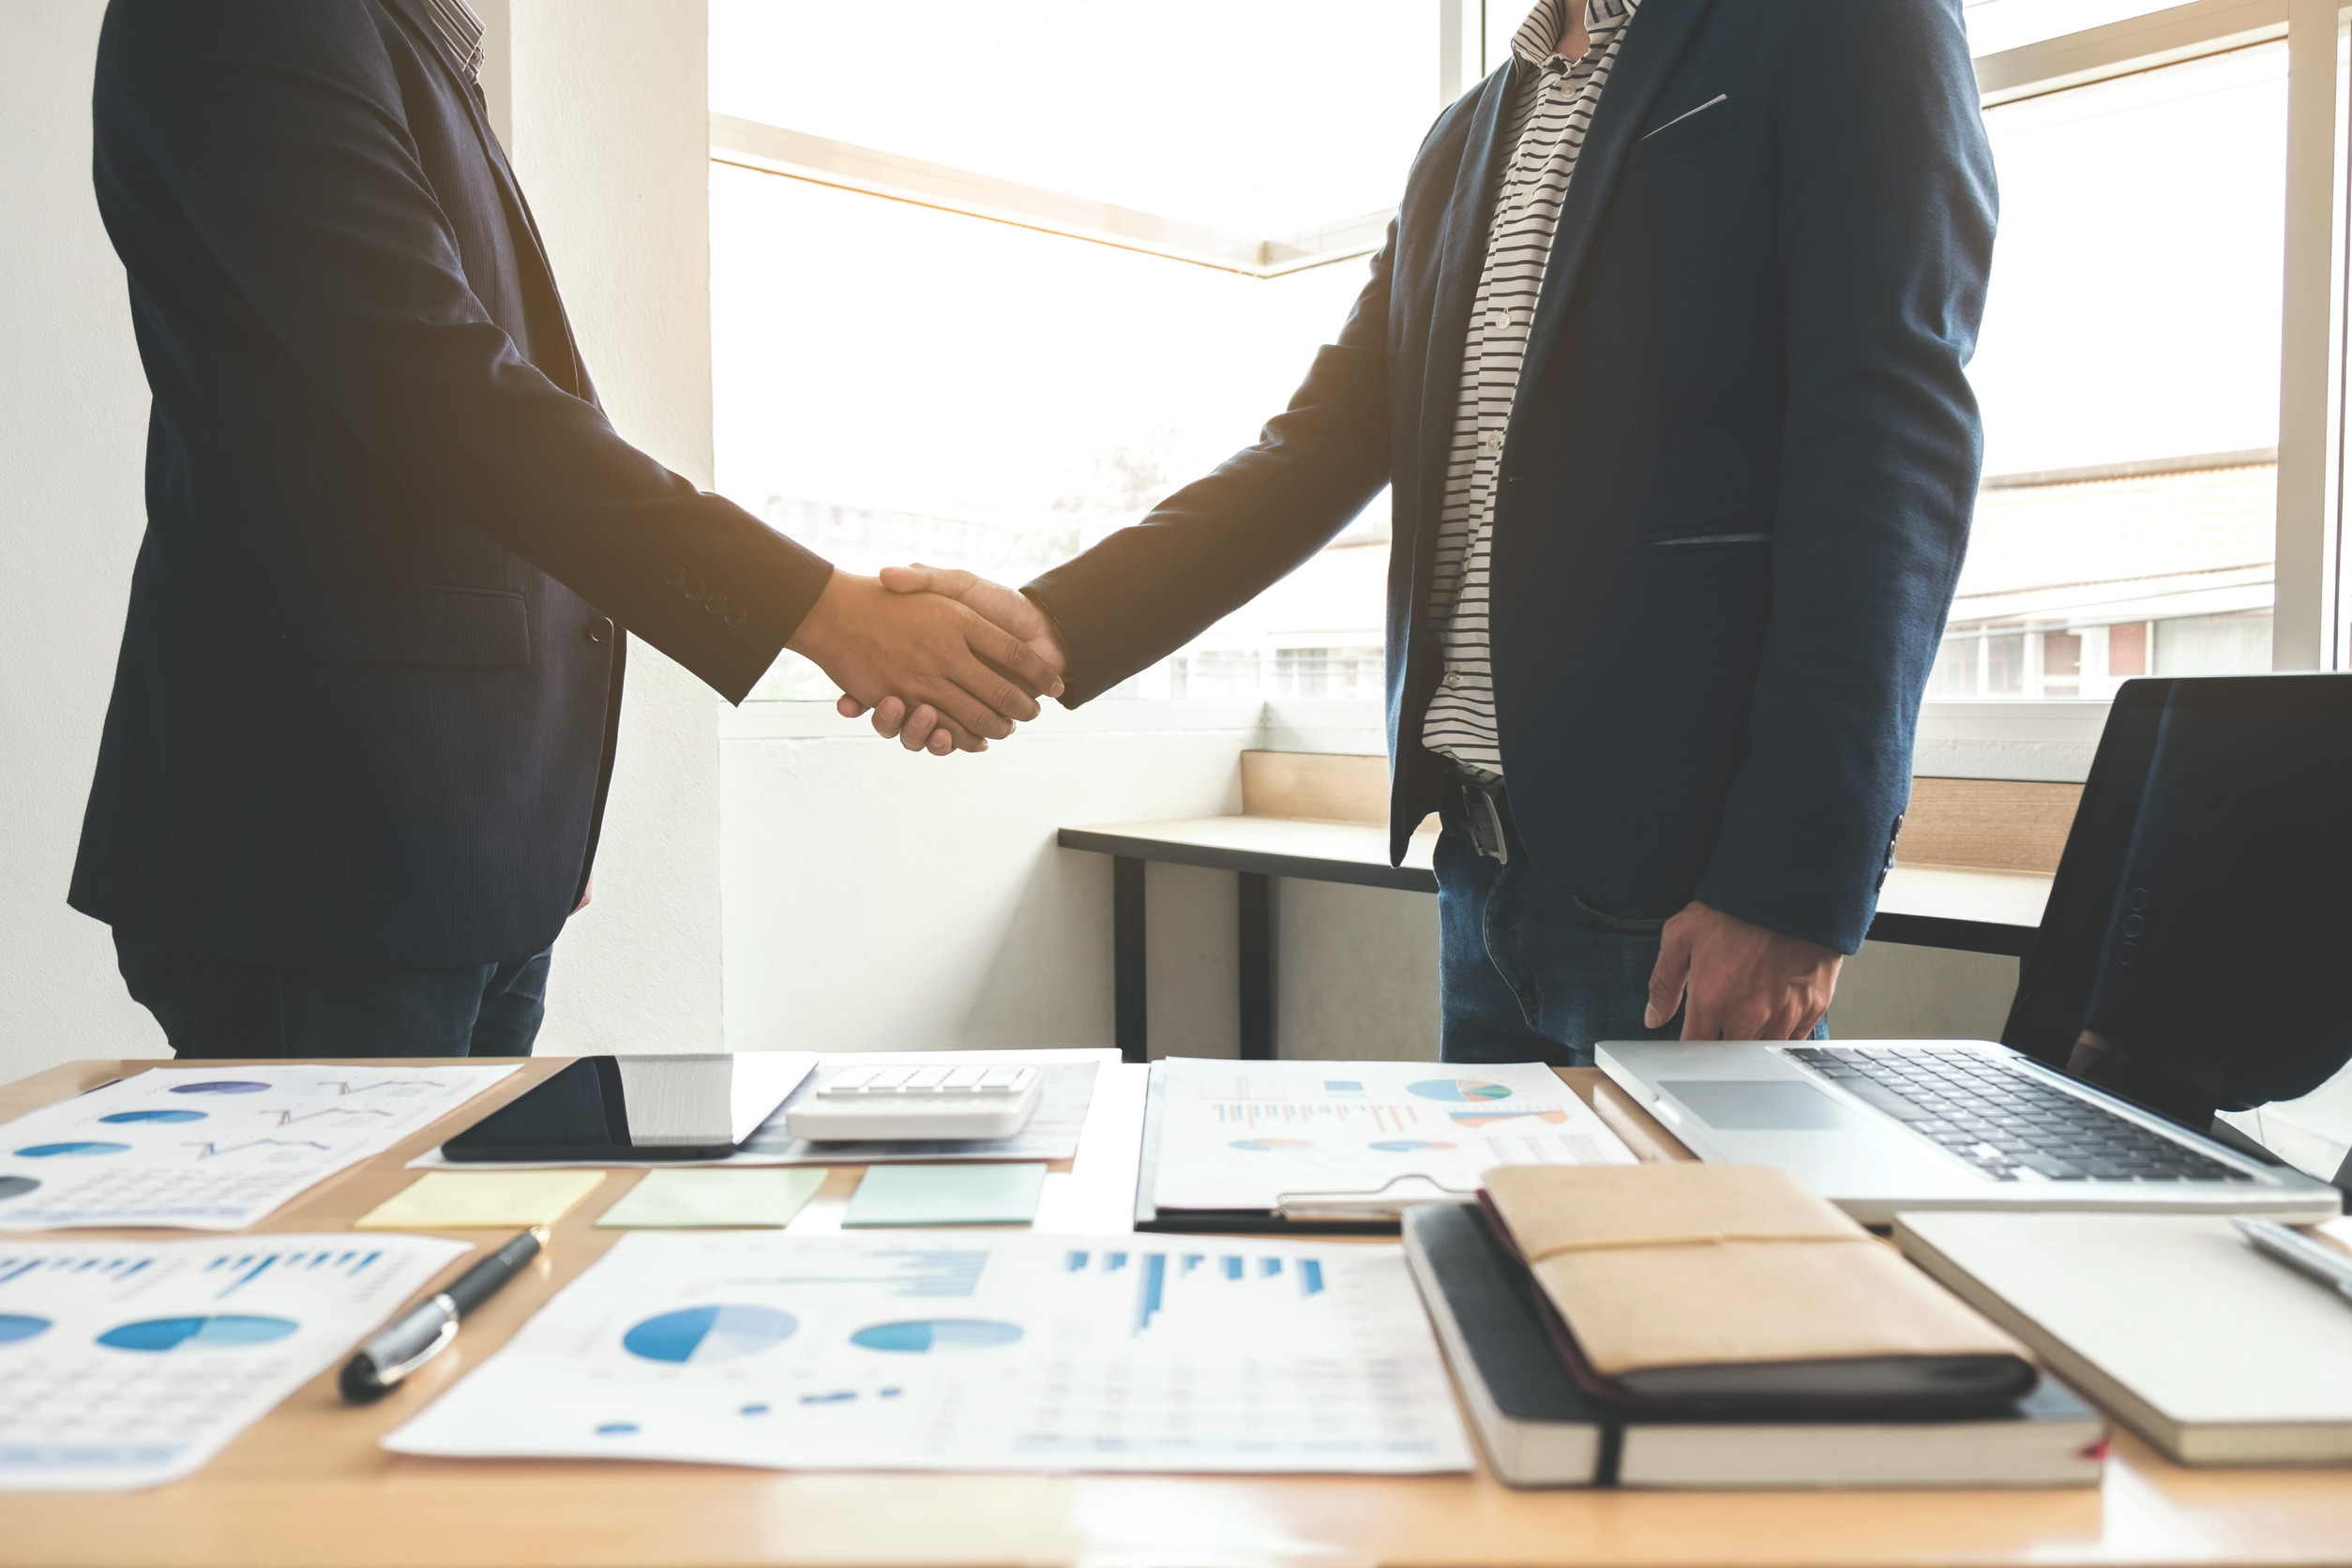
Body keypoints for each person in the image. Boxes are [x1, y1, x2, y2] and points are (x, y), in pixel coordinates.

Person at [852, 0, 1997, 1064]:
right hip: (1484, 866)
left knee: (1688, 1283)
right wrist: (1054, 626)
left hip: (1685, 887)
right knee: (1491, 1272)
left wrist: (1795, 884)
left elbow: (1888, 448)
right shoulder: (1461, 138)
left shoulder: (1849, 22)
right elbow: (1317, 449)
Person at [73, 0, 1056, 1058]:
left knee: (467, 1222)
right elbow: (437, 387)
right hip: (325, 846)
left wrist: (537, 811)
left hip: (461, 836)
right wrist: (820, 612)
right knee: (374, 1228)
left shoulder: (404, 35)